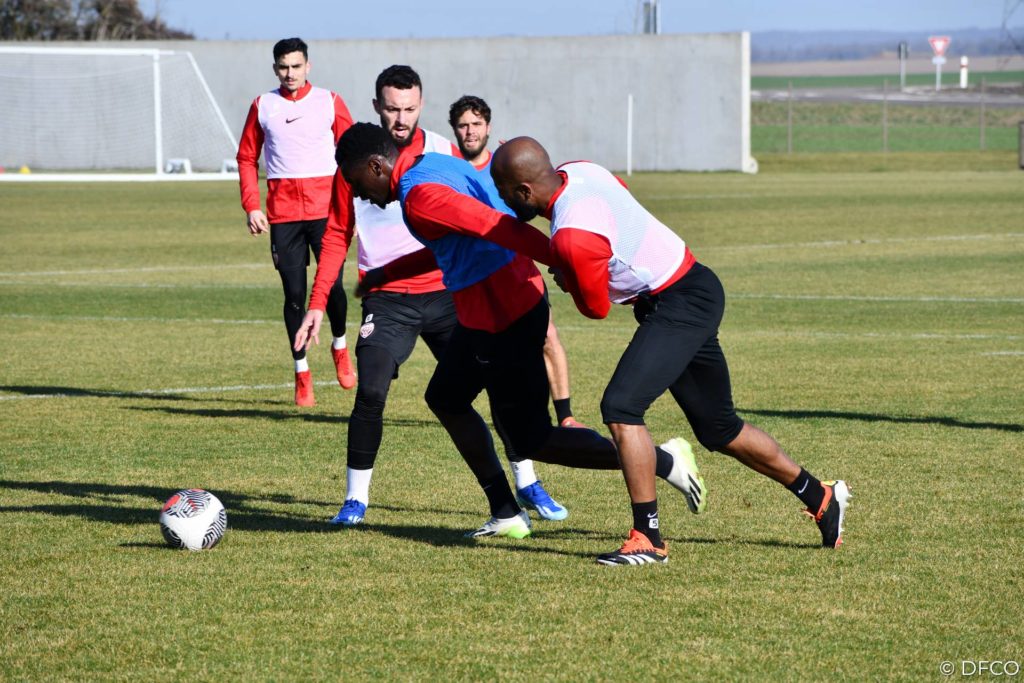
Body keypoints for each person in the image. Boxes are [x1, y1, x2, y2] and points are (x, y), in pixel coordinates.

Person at [298, 121, 707, 543]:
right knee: (445, 398)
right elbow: (459, 238)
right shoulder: (433, 166)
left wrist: (567, 260)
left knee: (534, 439)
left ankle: (662, 461)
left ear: (376, 166)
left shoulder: (419, 196)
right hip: (489, 315)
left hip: (505, 317)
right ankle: (505, 511)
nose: (357, 193)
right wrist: (389, 272)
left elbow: (497, 226)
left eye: (355, 181)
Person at [490, 136, 851, 565]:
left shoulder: (571, 236)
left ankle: (649, 538)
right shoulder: (581, 168)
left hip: (679, 302)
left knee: (621, 407)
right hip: (690, 286)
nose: (501, 197)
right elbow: (620, 195)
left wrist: (572, 276)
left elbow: (595, 309)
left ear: (525, 191)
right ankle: (821, 496)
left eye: (503, 189)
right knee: (720, 429)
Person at [297, 66, 567, 527]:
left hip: (462, 299)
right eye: (392, 108)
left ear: (420, 106)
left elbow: (490, 219)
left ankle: (532, 483)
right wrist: (325, 299)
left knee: (510, 415)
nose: (400, 117)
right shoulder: (365, 162)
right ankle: (358, 501)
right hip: (396, 301)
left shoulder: (433, 162)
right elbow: (339, 233)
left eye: (409, 108)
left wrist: (559, 258)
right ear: (377, 107)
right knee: (389, 392)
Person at [447, 95, 583, 429]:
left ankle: (566, 417)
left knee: (549, 338)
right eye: (463, 125)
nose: (470, 131)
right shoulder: (451, 172)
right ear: (454, 130)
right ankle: (521, 420)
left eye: (476, 124)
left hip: (521, 274)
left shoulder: (506, 167)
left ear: (488, 127)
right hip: (479, 284)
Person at [236, 37, 356, 408]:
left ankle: (339, 345)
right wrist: (252, 205)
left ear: (308, 66)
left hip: (327, 212)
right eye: (283, 67)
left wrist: (355, 205)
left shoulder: (329, 101)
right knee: (293, 296)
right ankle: (301, 371)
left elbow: (352, 152)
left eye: (296, 66)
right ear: (275, 69)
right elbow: (246, 157)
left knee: (332, 286)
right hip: (284, 215)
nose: (290, 73)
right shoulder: (263, 105)